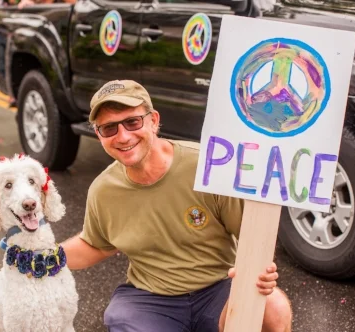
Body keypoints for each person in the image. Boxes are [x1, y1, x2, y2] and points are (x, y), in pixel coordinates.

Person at [60, 80, 293, 332]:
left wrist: (259, 272)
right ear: (98, 134)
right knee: (122, 319)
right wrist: (38, 259)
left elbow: (253, 236)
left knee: (274, 307)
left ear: (153, 120)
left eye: (132, 122)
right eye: (109, 128)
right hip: (151, 299)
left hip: (219, 288)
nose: (123, 136)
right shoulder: (103, 190)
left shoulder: (207, 166)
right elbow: (95, 244)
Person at [0, 0, 33, 113]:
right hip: (5, 45)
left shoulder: (26, 4)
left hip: (21, 47)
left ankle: (8, 94)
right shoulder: (0, 7)